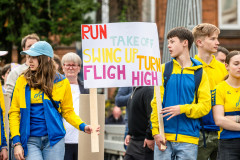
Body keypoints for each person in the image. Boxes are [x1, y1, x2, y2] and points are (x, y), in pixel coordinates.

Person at [9, 41, 99, 160]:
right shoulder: (22, 80)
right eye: (29, 56)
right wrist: (16, 142)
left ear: (46, 59)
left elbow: (68, 112)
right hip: (30, 140)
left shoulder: (62, 82)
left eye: (35, 57)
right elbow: (14, 113)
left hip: (55, 140)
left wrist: (83, 126)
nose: (30, 60)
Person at [151, 27, 211, 160]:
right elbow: (156, 103)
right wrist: (155, 132)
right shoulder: (163, 70)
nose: (168, 46)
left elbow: (205, 106)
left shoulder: (199, 73)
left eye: (172, 42)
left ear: (185, 43)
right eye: (168, 42)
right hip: (164, 137)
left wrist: (182, 109)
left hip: (189, 140)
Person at [192, 23, 228, 160]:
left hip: (222, 132)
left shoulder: (223, 69)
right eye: (212, 39)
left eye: (217, 38)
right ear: (199, 42)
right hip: (198, 132)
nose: (217, 42)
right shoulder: (190, 68)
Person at [212, 51, 240, 160]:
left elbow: (224, 119)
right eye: (236, 64)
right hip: (228, 143)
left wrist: (232, 118)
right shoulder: (219, 89)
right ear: (226, 66)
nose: (239, 67)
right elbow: (219, 120)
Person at [61, 52, 89, 160]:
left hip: (81, 139)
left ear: (79, 68)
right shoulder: (56, 87)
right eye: (67, 65)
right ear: (63, 67)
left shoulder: (86, 89)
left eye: (74, 65)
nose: (70, 68)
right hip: (62, 140)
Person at [124, 86, 154, 160]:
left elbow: (152, 115)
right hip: (133, 141)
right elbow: (134, 114)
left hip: (144, 142)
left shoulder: (149, 89)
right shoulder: (135, 90)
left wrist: (149, 136)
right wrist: (130, 133)